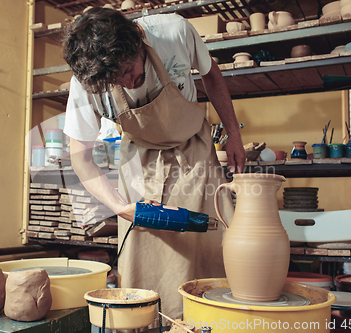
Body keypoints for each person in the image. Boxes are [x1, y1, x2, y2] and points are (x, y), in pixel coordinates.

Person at [61, 7, 245, 320]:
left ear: (137, 40)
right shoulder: (86, 82)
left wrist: (233, 133)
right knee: (143, 265)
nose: (128, 82)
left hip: (195, 150)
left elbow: (211, 74)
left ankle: (214, 321)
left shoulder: (174, 31)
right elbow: (80, 157)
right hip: (139, 162)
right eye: (116, 79)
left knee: (216, 247)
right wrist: (119, 206)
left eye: (130, 69)